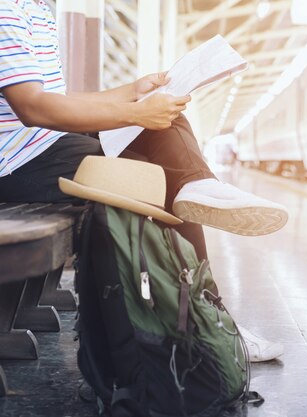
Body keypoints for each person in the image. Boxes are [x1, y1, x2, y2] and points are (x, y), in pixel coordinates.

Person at [0, 0, 283, 362]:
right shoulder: (8, 10)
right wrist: (134, 113)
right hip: (18, 161)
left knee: (166, 128)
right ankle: (212, 324)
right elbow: (33, 108)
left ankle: (197, 186)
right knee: (160, 182)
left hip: (45, 144)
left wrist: (133, 92)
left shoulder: (37, 9)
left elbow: (59, 97)